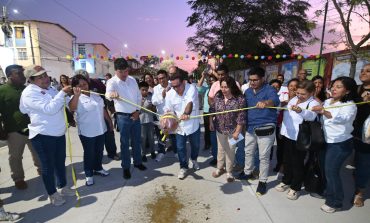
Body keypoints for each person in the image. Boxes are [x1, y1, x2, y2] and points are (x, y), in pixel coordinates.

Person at [19, 65, 75, 206]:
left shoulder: (50, 89)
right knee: (48, 166)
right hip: (43, 135)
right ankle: (52, 193)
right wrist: (62, 93)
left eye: (45, 75)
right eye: (40, 77)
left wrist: (75, 95)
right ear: (31, 80)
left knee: (60, 163)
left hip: (58, 133)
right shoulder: (29, 93)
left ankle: (62, 187)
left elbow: (67, 104)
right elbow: (49, 109)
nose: (45, 79)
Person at [312, 76, 358, 213]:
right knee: (327, 171)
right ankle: (329, 192)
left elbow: (344, 119)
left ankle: (336, 202)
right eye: (333, 85)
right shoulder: (327, 101)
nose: (334, 89)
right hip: (325, 140)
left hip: (340, 144)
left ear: (347, 91)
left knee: (332, 172)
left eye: (338, 87)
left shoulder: (350, 105)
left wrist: (324, 112)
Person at [238, 67, 280, 196]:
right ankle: (247, 172)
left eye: (255, 80)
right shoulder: (248, 91)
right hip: (250, 127)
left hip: (265, 128)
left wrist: (265, 102)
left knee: (263, 156)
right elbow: (244, 107)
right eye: (250, 80)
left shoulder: (270, 89)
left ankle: (262, 181)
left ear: (263, 78)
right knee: (248, 151)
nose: (252, 83)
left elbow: (275, 100)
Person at [275, 80, 320, 200]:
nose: (299, 95)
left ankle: (295, 187)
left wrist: (301, 111)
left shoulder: (313, 103)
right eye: (298, 92)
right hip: (288, 135)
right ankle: (286, 180)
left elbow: (312, 115)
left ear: (311, 93)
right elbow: (286, 116)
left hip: (300, 138)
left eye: (303, 94)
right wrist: (282, 131)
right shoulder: (294, 99)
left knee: (297, 163)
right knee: (287, 160)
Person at [0, 65, 41, 190]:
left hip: (32, 128)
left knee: (38, 152)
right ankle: (18, 178)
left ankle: (42, 170)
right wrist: (1, 130)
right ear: (9, 75)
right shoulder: (2, 91)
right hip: (13, 131)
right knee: (15, 157)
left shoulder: (27, 90)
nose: (23, 75)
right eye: (19, 73)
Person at [106, 58, 147, 179]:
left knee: (136, 140)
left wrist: (138, 111)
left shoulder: (132, 80)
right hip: (123, 117)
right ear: (115, 71)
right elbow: (108, 94)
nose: (124, 74)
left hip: (135, 115)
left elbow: (139, 97)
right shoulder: (112, 82)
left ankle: (138, 162)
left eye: (126, 71)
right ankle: (126, 167)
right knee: (124, 143)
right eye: (121, 72)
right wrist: (112, 95)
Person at [69, 74, 110, 186]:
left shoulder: (96, 95)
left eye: (85, 84)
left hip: (101, 129)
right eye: (80, 85)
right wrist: (76, 95)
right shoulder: (76, 98)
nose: (84, 86)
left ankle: (98, 168)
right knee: (89, 153)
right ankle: (88, 174)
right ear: (75, 87)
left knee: (99, 151)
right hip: (87, 132)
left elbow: (103, 110)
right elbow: (72, 108)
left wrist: (109, 122)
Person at [163, 69, 200, 180]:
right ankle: (183, 167)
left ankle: (194, 159)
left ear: (183, 82)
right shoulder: (170, 94)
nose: (175, 89)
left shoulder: (191, 88)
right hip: (179, 127)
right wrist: (166, 121)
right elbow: (168, 110)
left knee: (196, 145)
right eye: (173, 86)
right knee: (180, 148)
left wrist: (185, 113)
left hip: (193, 125)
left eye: (177, 86)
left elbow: (190, 103)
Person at [76, 69, 119, 161]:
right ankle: (95, 158)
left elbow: (107, 94)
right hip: (89, 117)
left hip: (102, 109)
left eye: (85, 78)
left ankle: (112, 153)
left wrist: (110, 108)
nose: (84, 83)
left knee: (109, 132)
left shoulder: (97, 82)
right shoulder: (77, 88)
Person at [210, 76, 245, 182]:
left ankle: (229, 172)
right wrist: (211, 121)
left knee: (230, 150)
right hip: (219, 128)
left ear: (232, 86)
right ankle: (220, 168)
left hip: (234, 130)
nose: (223, 90)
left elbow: (241, 116)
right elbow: (212, 109)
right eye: (222, 87)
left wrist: (238, 131)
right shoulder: (218, 95)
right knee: (220, 149)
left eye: (226, 87)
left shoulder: (239, 98)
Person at [352, 63, 370, 207]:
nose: (363, 73)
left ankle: (360, 190)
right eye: (362, 71)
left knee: (364, 162)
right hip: (355, 131)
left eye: (368, 71)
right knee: (360, 161)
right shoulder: (356, 89)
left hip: (368, 133)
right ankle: (359, 188)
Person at [198, 71, 218, 165]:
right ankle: (207, 144)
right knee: (207, 129)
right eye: (209, 80)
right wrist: (202, 76)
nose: (211, 82)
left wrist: (214, 72)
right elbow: (198, 88)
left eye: (213, 80)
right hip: (207, 111)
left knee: (214, 131)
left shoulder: (219, 89)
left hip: (217, 112)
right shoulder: (206, 89)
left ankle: (215, 148)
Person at [152, 70, 171, 162]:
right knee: (161, 136)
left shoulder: (173, 85)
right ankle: (161, 152)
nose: (162, 80)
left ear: (167, 77)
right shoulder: (156, 88)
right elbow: (154, 101)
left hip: (172, 117)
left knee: (174, 136)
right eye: (159, 79)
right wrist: (162, 96)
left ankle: (176, 152)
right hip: (161, 117)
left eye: (163, 78)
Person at [138, 81, 156, 161]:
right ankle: (143, 154)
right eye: (143, 90)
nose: (144, 92)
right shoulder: (137, 98)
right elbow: (136, 110)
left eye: (146, 90)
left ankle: (152, 151)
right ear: (139, 90)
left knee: (151, 137)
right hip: (141, 122)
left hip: (150, 120)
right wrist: (141, 104)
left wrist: (151, 107)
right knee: (143, 138)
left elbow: (154, 109)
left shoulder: (151, 97)